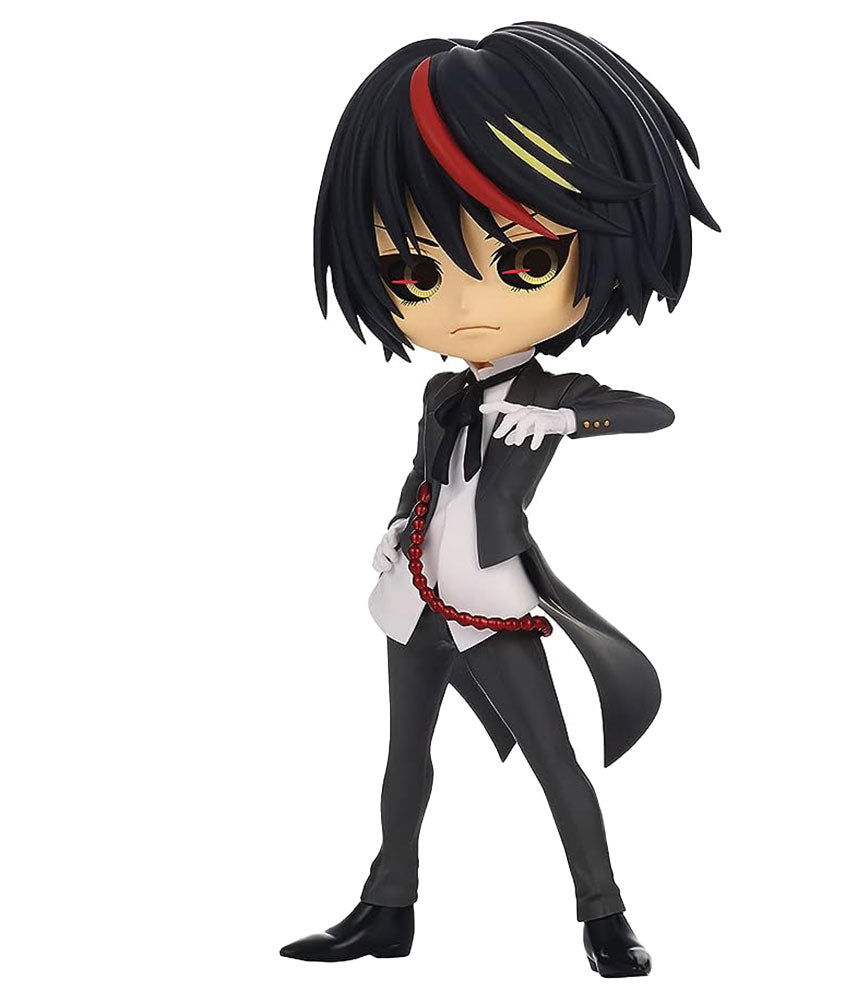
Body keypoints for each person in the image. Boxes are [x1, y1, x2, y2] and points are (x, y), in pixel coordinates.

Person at [280, 21, 718, 977]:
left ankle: (605, 917)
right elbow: (428, 471)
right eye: (411, 271)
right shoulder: (443, 392)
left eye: (525, 261)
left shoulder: (554, 390)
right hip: (416, 590)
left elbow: (652, 411)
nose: (466, 303)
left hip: (491, 596)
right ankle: (385, 907)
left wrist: (564, 420)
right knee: (404, 758)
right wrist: (398, 526)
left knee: (555, 760)